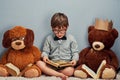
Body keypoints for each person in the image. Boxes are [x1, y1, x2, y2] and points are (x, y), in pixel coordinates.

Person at [36, 12, 79, 80]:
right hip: (52, 64)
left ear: (67, 27)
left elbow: (75, 52)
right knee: (39, 63)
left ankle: (52, 73)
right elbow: (45, 51)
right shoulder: (49, 38)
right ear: (52, 27)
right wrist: (45, 56)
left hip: (65, 65)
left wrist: (74, 60)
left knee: (71, 71)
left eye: (62, 31)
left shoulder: (71, 38)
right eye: (56, 31)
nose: (59, 34)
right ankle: (59, 74)